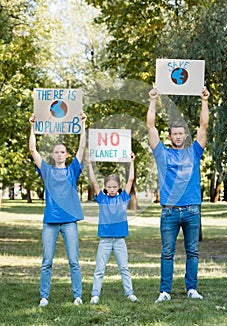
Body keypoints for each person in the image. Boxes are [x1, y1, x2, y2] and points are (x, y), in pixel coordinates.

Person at [147, 86, 210, 302]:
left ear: (185, 135)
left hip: (192, 210)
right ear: (170, 136)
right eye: (174, 134)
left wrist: (204, 100)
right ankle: (165, 292)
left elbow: (204, 125)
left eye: (181, 133)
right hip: (169, 212)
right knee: (167, 253)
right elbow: (150, 126)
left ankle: (191, 288)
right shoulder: (162, 153)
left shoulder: (194, 151)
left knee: (192, 252)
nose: (178, 136)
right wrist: (153, 100)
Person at [29, 111, 87, 307]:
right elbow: (32, 151)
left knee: (73, 261)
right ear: (52, 155)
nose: (60, 154)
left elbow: (82, 147)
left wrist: (83, 125)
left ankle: (77, 296)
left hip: (69, 222)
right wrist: (32, 127)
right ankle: (44, 297)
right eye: (56, 152)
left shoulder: (72, 170)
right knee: (47, 262)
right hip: (50, 222)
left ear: (66, 155)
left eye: (63, 152)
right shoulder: (47, 170)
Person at [87, 152, 138, 304]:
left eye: (115, 186)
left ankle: (129, 293)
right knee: (99, 269)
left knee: (124, 268)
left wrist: (131, 162)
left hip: (120, 240)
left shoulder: (123, 198)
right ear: (105, 188)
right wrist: (90, 163)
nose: (112, 189)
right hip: (105, 240)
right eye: (109, 187)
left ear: (119, 187)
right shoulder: (102, 198)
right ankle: (95, 294)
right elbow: (94, 182)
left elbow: (131, 179)